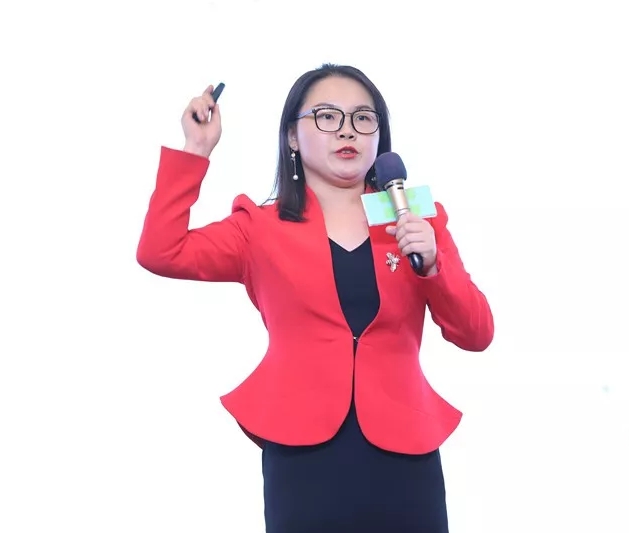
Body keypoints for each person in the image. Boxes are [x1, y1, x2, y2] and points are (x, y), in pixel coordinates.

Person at [136, 63, 494, 533]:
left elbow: (476, 333)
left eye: (363, 118)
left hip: (405, 451)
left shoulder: (418, 220)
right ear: (292, 135)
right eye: (327, 116)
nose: (347, 131)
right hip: (302, 451)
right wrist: (195, 151)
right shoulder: (258, 228)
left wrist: (431, 265)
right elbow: (161, 252)